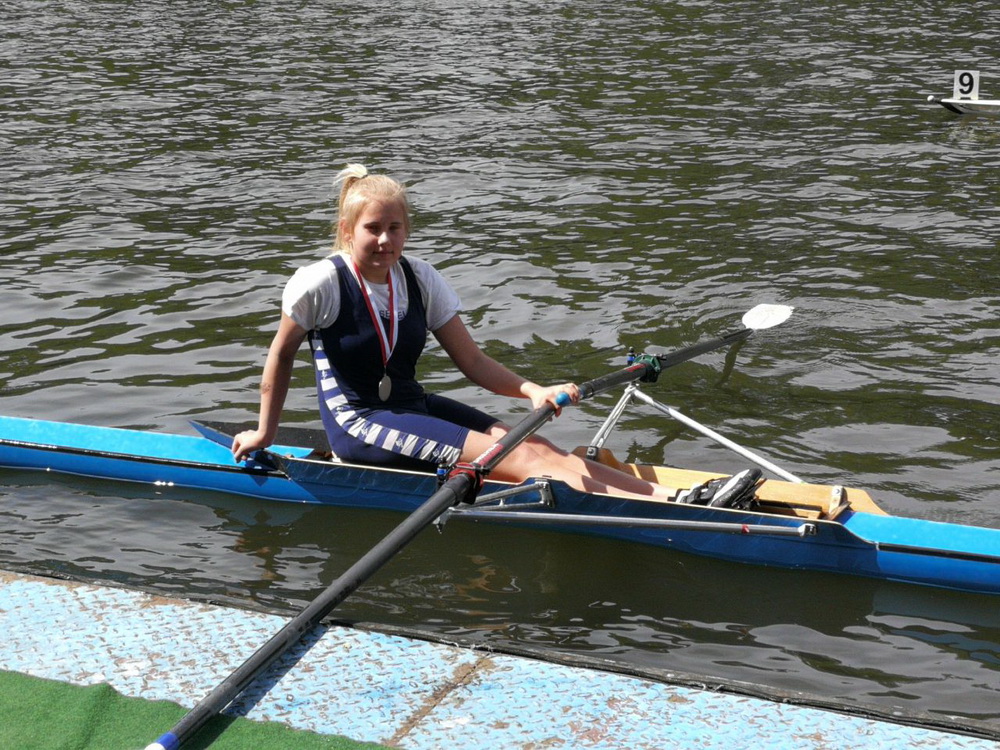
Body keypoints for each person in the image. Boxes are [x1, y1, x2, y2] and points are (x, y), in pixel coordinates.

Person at [231, 163, 679, 502]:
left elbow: (473, 362)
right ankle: (660, 510)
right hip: (359, 422)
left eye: (394, 228)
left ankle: (673, 498)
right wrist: (264, 433)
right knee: (519, 457)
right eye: (373, 229)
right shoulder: (320, 284)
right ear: (348, 231)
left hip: (411, 404)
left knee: (535, 444)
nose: (385, 240)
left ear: (406, 229)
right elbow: (281, 355)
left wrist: (533, 390)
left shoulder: (420, 278)